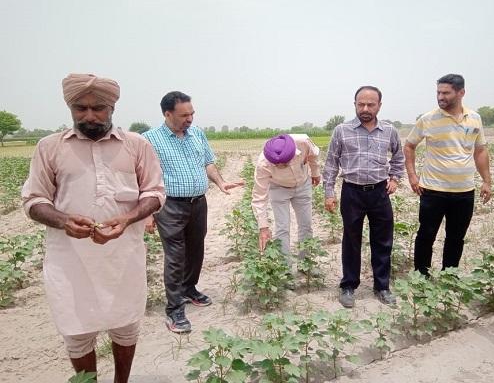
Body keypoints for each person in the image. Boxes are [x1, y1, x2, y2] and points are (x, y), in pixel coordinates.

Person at [21, 73, 165, 382]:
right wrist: (63, 220)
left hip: (123, 256)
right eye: (80, 108)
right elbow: (33, 200)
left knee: (126, 327)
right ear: (69, 107)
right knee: (77, 331)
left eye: (98, 108)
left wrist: (126, 219)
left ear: (112, 107)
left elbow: (155, 193)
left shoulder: (137, 145)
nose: (89, 116)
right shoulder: (49, 147)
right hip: (70, 259)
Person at [143, 91, 243, 334]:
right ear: (167, 114)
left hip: (198, 202)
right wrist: (147, 212)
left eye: (192, 114)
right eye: (183, 115)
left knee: (196, 249)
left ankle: (189, 289)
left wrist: (220, 182)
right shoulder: (149, 140)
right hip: (170, 206)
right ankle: (174, 310)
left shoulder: (197, 134)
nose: (189, 119)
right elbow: (142, 177)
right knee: (175, 256)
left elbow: (208, 162)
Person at [322, 85, 404, 308]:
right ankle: (348, 285)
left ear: (379, 105)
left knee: (383, 241)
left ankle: (382, 287)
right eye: (361, 104)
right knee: (351, 240)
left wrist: (395, 179)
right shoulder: (342, 130)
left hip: (379, 192)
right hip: (352, 192)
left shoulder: (389, 131)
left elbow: (399, 157)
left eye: (370, 104)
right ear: (355, 104)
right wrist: (329, 193)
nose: (365, 108)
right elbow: (331, 164)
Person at [404, 74, 492, 276]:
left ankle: (448, 276)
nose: (440, 97)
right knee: (426, 235)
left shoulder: (475, 118)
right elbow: (409, 146)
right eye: (438, 92)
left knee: (456, 237)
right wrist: (412, 176)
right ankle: (421, 276)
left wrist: (487, 181)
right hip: (433, 190)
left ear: (461, 93)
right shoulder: (427, 119)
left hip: (464, 191)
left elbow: (480, 151)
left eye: (446, 93)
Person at [251, 133, 320, 259]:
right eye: (277, 166)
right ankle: (285, 268)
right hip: (278, 188)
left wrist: (315, 172)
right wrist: (263, 227)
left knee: (306, 225)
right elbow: (259, 197)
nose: (281, 167)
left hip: (303, 185)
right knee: (282, 227)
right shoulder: (263, 163)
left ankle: (306, 263)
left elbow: (313, 155)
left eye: (285, 164)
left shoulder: (303, 142)